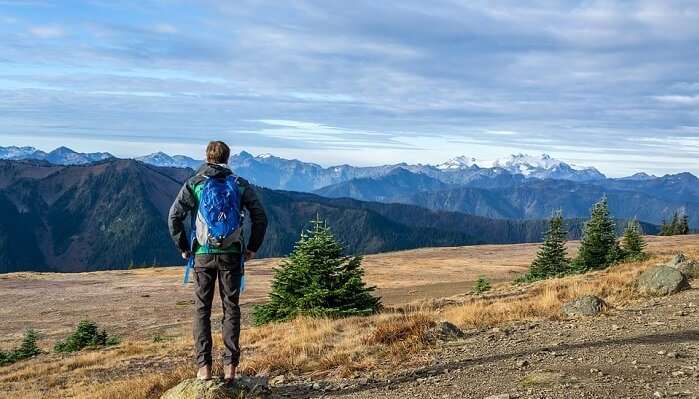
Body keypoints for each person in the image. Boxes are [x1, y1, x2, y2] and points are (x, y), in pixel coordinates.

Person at [168, 141, 268, 382]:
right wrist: (252, 248)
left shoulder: (195, 183)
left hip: (202, 255)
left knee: (201, 310)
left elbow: (174, 217)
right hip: (232, 254)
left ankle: (204, 368)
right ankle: (230, 368)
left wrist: (184, 248)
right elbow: (260, 217)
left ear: (207, 157)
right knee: (230, 308)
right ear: (228, 158)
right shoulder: (239, 184)